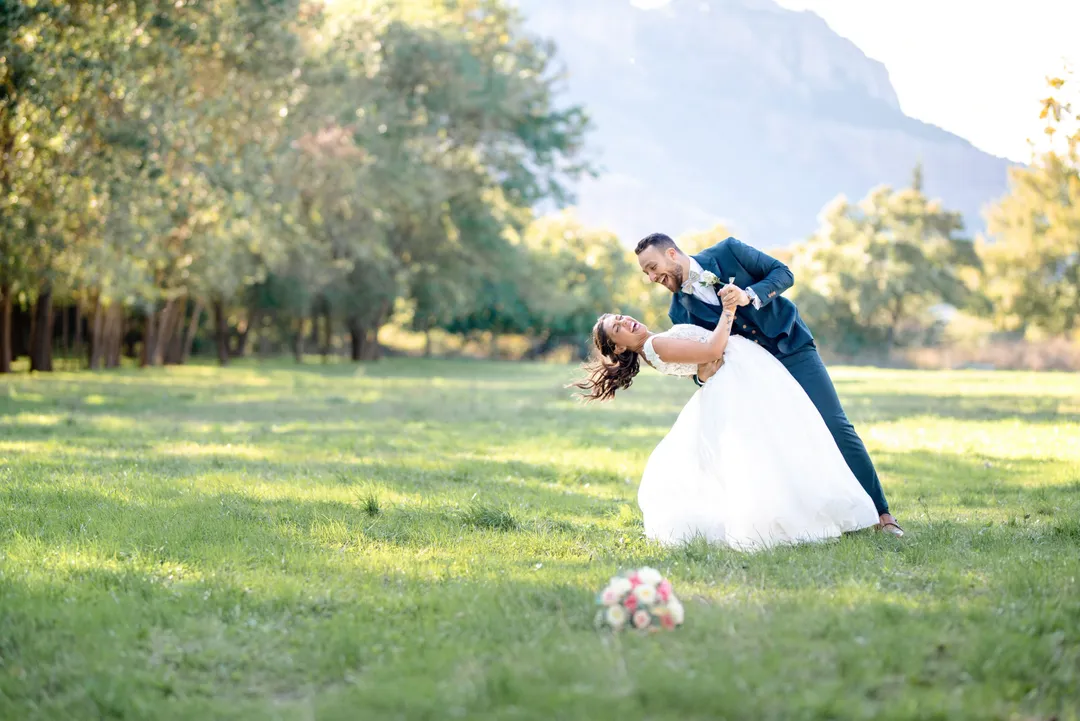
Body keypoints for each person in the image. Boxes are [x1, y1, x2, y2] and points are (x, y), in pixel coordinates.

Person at [633, 231, 903, 536]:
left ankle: (883, 515)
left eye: (652, 267)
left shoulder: (728, 251)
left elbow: (783, 273)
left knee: (834, 424)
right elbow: (701, 357)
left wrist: (749, 295)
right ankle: (823, 515)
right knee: (785, 441)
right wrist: (700, 375)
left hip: (790, 347)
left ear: (671, 254)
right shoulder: (677, 311)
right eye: (646, 273)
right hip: (753, 375)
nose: (652, 277)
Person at [574, 308, 879, 550]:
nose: (626, 322)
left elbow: (704, 363)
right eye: (618, 328)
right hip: (738, 379)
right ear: (618, 346)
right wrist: (729, 310)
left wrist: (708, 363)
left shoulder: (654, 345)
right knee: (781, 441)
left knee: (775, 445)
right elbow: (711, 350)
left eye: (620, 318)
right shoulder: (654, 345)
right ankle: (789, 514)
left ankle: (800, 507)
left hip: (739, 374)